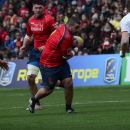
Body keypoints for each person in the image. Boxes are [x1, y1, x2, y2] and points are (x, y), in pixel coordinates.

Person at [28, 17, 83, 114]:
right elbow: (66, 56)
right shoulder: (66, 37)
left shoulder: (63, 26)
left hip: (60, 61)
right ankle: (33, 100)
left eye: (79, 28)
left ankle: (68, 108)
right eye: (76, 27)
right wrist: (77, 48)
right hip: (49, 64)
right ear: (69, 26)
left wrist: (73, 39)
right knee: (48, 90)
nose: (78, 30)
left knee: (69, 83)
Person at [20, 0, 58, 110]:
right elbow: (28, 35)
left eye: (40, 8)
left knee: (42, 82)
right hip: (35, 52)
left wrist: (47, 45)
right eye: (36, 8)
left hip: (48, 52)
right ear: (33, 8)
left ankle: (63, 82)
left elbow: (57, 34)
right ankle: (36, 103)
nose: (38, 10)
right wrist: (24, 45)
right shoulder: (30, 20)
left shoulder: (49, 19)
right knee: (30, 78)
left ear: (43, 8)